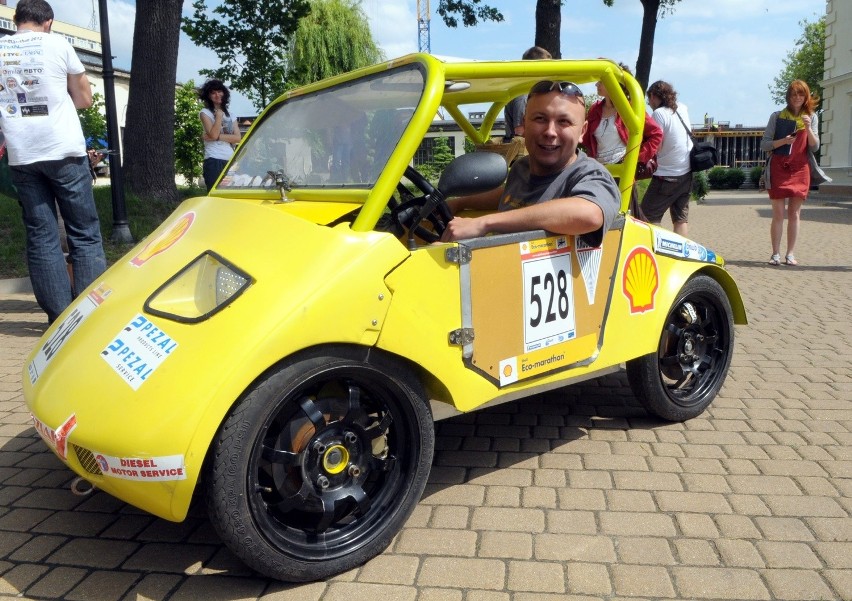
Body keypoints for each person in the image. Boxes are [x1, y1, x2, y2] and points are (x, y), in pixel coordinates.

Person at [0, 0, 106, 324]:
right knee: (83, 232)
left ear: (16, 20)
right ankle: (89, 318)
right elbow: (85, 99)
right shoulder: (59, 44)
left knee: (41, 235)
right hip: (63, 151)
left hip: (22, 154)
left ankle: (60, 319)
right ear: (48, 22)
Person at [443, 80, 620, 247]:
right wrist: (459, 203)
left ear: (582, 131)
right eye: (540, 119)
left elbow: (589, 215)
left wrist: (484, 223)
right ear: (523, 125)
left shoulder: (590, 174)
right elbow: (508, 193)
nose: (550, 132)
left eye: (563, 122)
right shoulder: (522, 168)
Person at [760, 80, 829, 266]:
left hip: (800, 169)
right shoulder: (776, 116)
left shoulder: (812, 117)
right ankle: (775, 254)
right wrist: (783, 141)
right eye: (793, 94)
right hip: (778, 168)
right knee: (778, 214)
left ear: (806, 97)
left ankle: (790, 254)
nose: (797, 98)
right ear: (788, 97)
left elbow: (814, 147)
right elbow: (765, 144)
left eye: (801, 94)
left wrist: (807, 128)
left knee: (795, 214)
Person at [585, 63, 663, 219]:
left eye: (601, 81)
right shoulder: (595, 109)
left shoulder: (631, 107)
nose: (596, 84)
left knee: (624, 217)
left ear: (613, 84)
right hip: (599, 171)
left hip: (622, 172)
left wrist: (636, 157)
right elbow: (587, 138)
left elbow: (656, 134)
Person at [641, 80, 693, 236]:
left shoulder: (659, 114)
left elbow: (656, 143)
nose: (649, 104)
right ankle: (681, 256)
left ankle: (660, 251)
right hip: (687, 173)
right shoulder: (682, 108)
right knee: (680, 219)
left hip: (666, 175)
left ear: (654, 96)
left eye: (648, 99)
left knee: (647, 216)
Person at [199, 79, 241, 192]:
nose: (217, 95)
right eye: (213, 93)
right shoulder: (205, 113)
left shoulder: (231, 115)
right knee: (215, 195)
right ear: (208, 96)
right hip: (214, 160)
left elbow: (238, 139)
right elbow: (212, 134)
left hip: (230, 160)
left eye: (219, 91)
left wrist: (217, 137)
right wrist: (218, 117)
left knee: (231, 195)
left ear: (224, 93)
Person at [503, 46, 552, 141]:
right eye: (546, 68)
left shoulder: (528, 92)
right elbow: (520, 132)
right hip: (521, 151)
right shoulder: (523, 95)